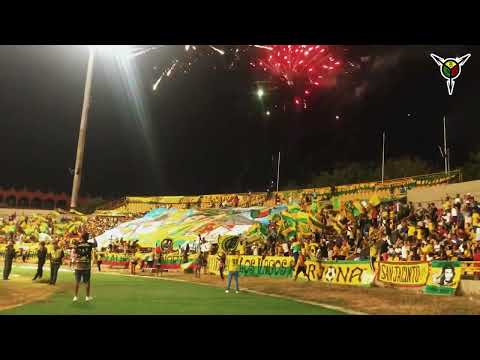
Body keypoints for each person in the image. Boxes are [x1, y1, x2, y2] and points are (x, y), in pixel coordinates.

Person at [73, 232, 98, 302]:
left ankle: (75, 296)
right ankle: (87, 297)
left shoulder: (78, 244)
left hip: (78, 266)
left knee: (77, 282)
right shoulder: (89, 245)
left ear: (82, 237)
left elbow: (75, 251)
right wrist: (94, 237)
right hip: (86, 266)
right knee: (87, 282)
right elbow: (96, 244)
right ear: (87, 238)